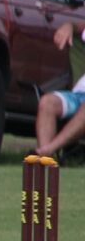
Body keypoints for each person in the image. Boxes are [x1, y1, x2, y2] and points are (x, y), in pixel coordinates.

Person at [37, 21, 85, 157]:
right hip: (80, 94)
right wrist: (69, 26)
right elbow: (78, 27)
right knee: (47, 103)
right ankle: (45, 161)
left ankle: (47, 150)